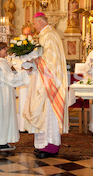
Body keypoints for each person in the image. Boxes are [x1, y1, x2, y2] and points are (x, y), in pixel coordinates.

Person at [23, 12, 69, 159]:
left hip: (49, 82)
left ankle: (51, 146)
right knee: (42, 113)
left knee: (48, 113)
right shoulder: (46, 34)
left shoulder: (49, 35)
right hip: (43, 79)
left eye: (35, 23)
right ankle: (42, 144)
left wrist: (33, 60)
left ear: (40, 22)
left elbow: (50, 61)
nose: (34, 26)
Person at [0, 42, 30, 151]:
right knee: (4, 116)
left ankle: (1, 140)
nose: (6, 50)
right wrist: (25, 73)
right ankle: (1, 142)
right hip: (5, 91)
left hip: (6, 90)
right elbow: (10, 78)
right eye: (4, 49)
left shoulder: (3, 62)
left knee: (5, 115)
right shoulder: (0, 63)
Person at [11, 24, 35, 132]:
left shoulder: (36, 46)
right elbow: (14, 61)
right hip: (23, 78)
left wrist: (32, 66)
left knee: (34, 102)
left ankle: (33, 125)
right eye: (24, 34)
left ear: (32, 34)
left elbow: (40, 60)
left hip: (34, 77)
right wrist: (22, 66)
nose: (26, 36)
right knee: (23, 101)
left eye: (28, 34)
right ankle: (22, 126)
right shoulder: (18, 47)